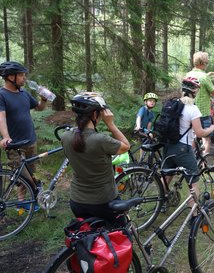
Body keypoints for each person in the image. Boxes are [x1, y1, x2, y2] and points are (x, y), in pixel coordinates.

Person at [60, 92, 130, 226]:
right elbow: (126, 146)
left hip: (77, 201)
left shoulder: (65, 137)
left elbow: (79, 135)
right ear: (94, 115)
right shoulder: (100, 140)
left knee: (90, 238)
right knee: (121, 236)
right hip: (104, 201)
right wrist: (111, 124)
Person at [162, 77, 214, 217]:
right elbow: (199, 132)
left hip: (168, 146)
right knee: (193, 182)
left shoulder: (172, 104)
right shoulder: (192, 109)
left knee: (167, 175)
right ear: (195, 92)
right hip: (182, 149)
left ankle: (161, 203)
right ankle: (195, 215)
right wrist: (211, 128)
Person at [0, 61, 48, 199]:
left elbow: (38, 107)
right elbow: (1, 117)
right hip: (15, 144)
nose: (24, 78)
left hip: (31, 140)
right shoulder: (2, 95)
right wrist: (5, 137)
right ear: (10, 77)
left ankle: (23, 202)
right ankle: (32, 197)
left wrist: (43, 99)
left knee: (31, 172)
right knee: (23, 176)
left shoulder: (24, 93)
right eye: (21, 75)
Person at [185, 51, 214, 154]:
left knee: (192, 136)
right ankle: (204, 164)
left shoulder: (188, 75)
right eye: (206, 63)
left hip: (189, 111)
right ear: (202, 63)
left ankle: (193, 160)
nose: (207, 65)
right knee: (206, 138)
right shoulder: (204, 76)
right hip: (202, 112)